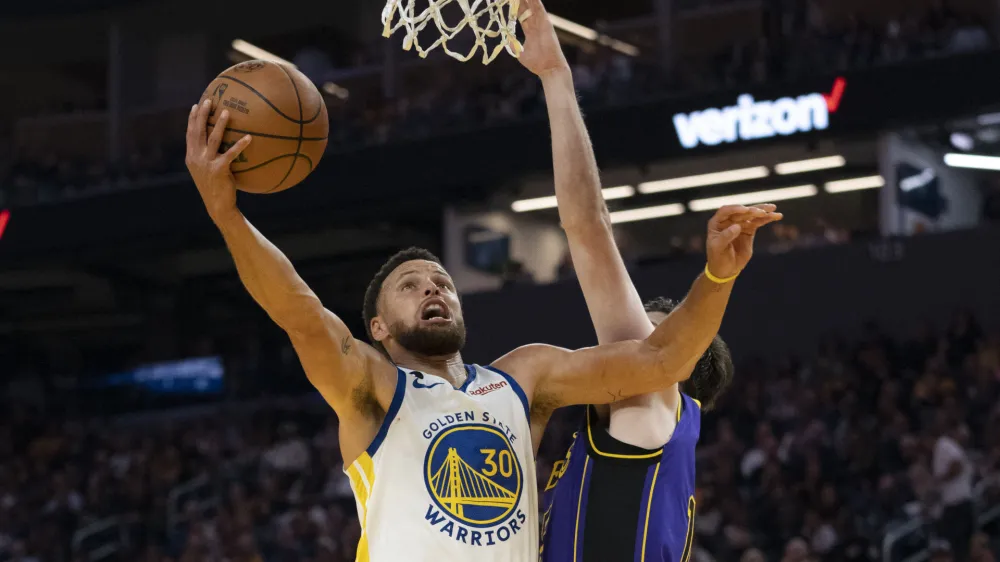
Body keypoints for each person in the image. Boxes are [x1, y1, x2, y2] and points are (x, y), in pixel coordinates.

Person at [183, 6, 779, 562]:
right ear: (378, 327)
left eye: (440, 279)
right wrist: (227, 217)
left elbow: (660, 356)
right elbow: (299, 310)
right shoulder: (372, 386)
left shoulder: (523, 379)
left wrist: (718, 276)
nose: (433, 288)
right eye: (411, 285)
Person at [515, 3, 781, 561]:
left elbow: (588, 229)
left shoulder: (651, 397)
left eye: (646, 335)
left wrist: (558, 79)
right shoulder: (654, 436)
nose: (610, 347)